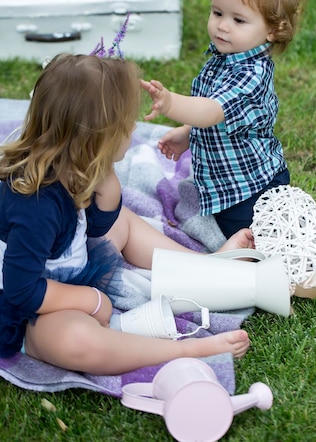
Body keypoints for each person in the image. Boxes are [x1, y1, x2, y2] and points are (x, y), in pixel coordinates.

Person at [0, 53, 253, 375]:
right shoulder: (36, 207)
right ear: (95, 139)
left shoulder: (77, 168)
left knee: (124, 221)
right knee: (75, 340)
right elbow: (22, 289)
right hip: (23, 302)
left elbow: (90, 230)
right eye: (125, 123)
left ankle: (207, 269)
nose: (133, 127)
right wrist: (90, 300)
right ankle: (187, 349)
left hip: (59, 266)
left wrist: (108, 195)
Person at [142, 0, 309, 239]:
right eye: (217, 12)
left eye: (238, 20)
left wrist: (171, 103)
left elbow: (210, 111)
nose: (222, 25)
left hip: (250, 191)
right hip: (226, 184)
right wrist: (187, 132)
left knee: (259, 241)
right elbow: (216, 120)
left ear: (272, 29)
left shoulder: (250, 75)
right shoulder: (225, 56)